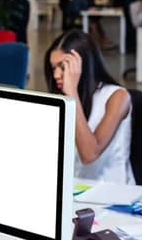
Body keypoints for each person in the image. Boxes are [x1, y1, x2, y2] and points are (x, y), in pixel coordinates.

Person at [44, 30, 134, 184]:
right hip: (76, 188)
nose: (56, 75)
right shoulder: (64, 96)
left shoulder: (118, 97)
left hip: (110, 194)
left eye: (63, 67)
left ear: (82, 66)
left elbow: (89, 154)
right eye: (54, 68)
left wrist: (71, 92)